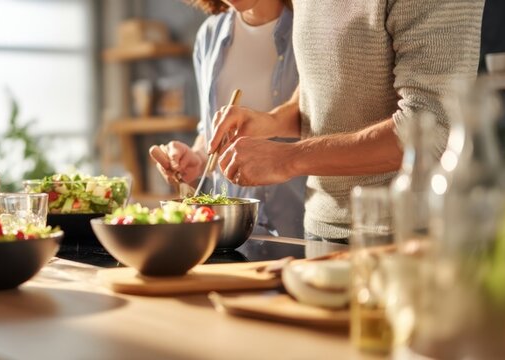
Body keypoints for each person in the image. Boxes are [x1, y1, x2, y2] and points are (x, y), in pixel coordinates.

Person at [208, 0, 485, 251]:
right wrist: (272, 121)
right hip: (320, 230)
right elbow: (323, 84)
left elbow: (431, 130)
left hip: (409, 237)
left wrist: (287, 159)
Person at [149, 0, 306, 238]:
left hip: (302, 223)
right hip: (234, 230)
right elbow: (210, 128)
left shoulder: (308, 28)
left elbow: (323, 120)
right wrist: (198, 157)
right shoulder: (209, 34)